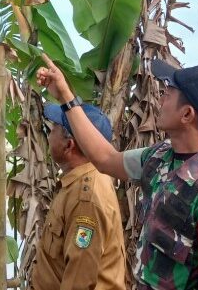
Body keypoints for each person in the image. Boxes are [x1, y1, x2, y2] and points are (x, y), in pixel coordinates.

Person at [37, 55, 198, 290]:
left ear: (187, 115)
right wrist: (66, 97)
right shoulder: (160, 157)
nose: (159, 99)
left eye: (167, 94)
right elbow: (105, 158)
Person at [31, 103, 126, 290]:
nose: (49, 136)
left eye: (53, 130)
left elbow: (79, 281)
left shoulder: (87, 198)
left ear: (69, 145)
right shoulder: (78, 183)